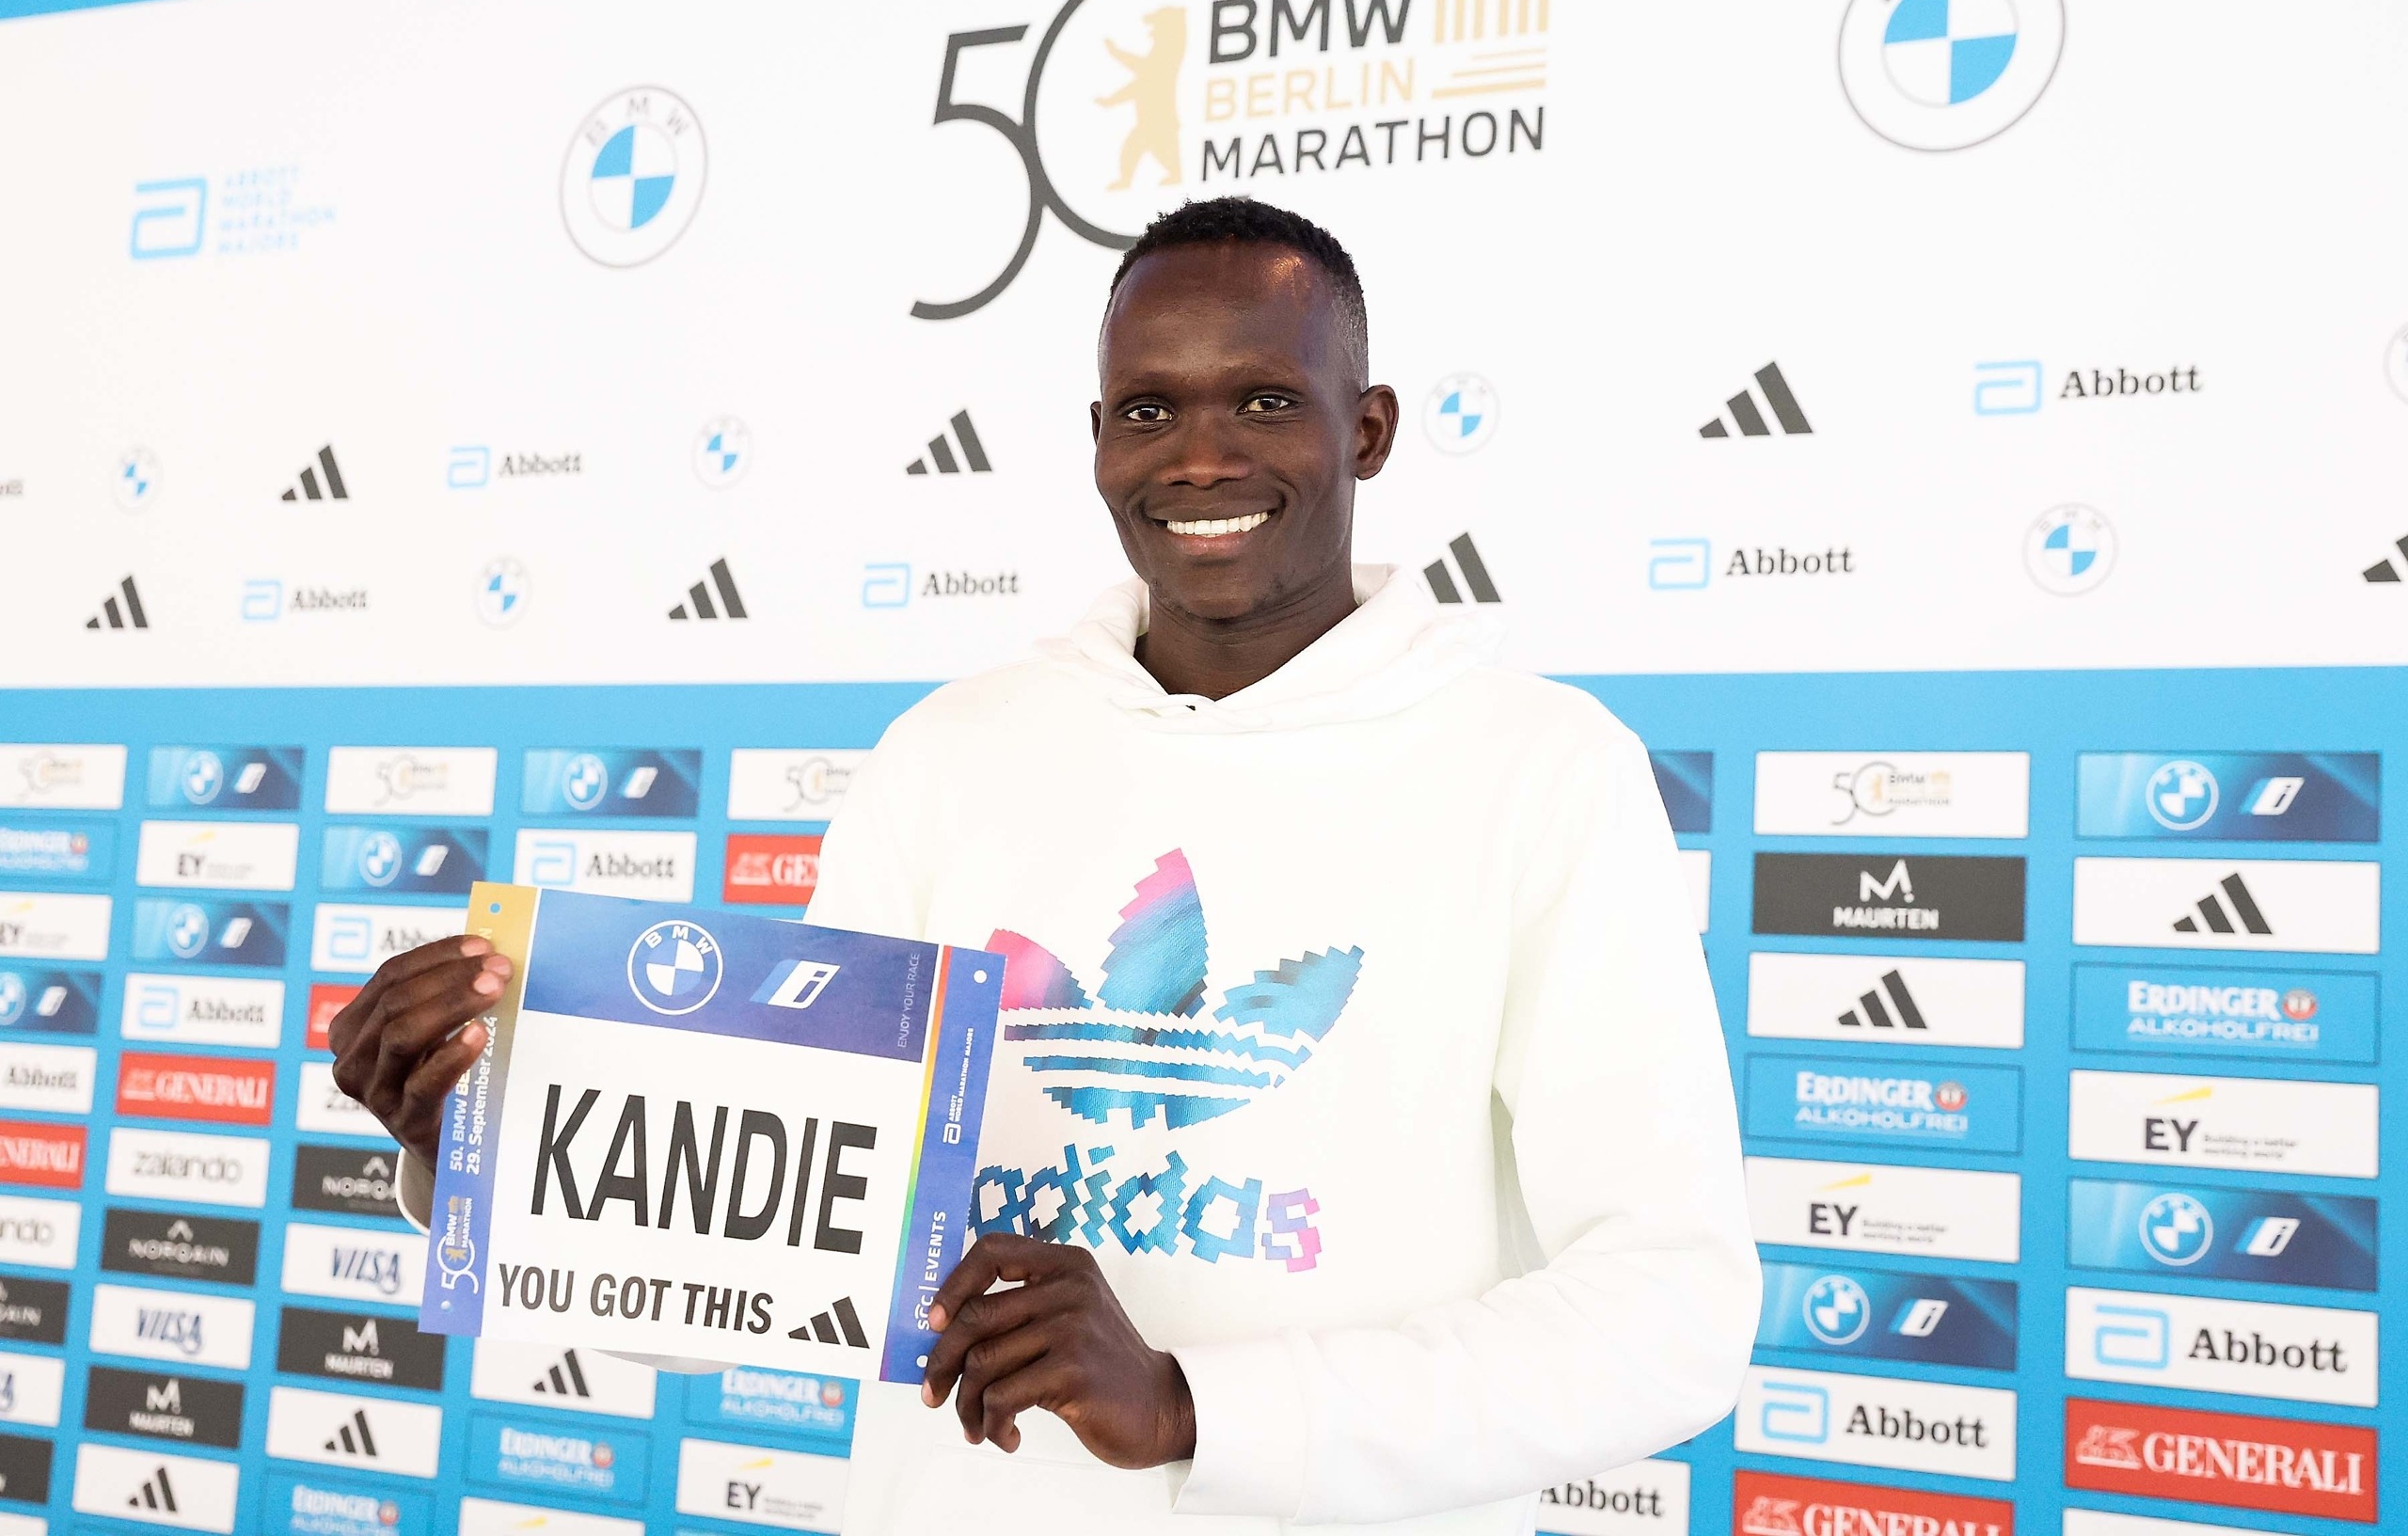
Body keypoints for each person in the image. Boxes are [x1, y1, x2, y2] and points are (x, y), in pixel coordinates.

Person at [335, 196, 1759, 1534]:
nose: (1201, 459)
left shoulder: (1541, 770)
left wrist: (1193, 1406)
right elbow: (766, 1251)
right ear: (1095, 439)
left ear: (1369, 429)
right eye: (1151, 411)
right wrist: (469, 1144)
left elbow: (1666, 1313)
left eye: (1265, 400)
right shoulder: (949, 756)